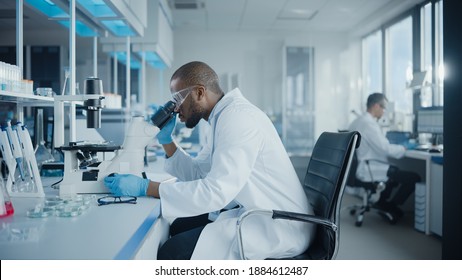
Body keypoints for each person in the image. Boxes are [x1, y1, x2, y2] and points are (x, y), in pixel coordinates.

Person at [103, 61, 315, 260]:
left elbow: (216, 192)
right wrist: (167, 141)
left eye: (177, 99)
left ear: (200, 92)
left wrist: (147, 187)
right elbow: (199, 174)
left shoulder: (237, 119)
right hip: (261, 214)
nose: (175, 108)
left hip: (279, 227)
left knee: (172, 253)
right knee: (177, 226)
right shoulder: (221, 118)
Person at [348, 93, 420, 221]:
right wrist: (405, 148)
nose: (384, 111)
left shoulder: (357, 121)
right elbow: (386, 149)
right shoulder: (369, 125)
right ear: (376, 106)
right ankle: (390, 206)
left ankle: (382, 203)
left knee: (394, 171)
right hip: (367, 169)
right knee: (413, 177)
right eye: (384, 107)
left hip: (359, 167)